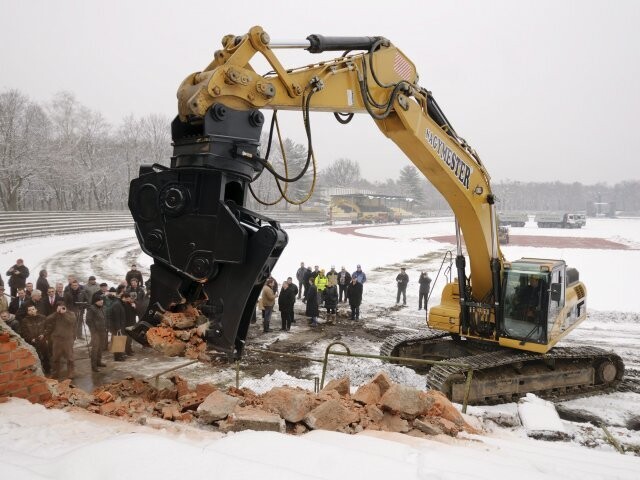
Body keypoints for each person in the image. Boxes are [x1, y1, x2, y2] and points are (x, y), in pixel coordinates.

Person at [44, 302, 77, 379]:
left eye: (63, 307)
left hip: (67, 339)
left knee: (70, 358)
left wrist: (64, 313)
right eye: (60, 307)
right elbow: (47, 319)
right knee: (56, 358)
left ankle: (71, 373)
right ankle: (55, 373)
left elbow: (72, 321)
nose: (62, 308)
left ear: (66, 307)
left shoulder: (71, 314)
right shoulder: (55, 315)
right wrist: (57, 312)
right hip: (57, 339)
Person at [20, 304, 50, 374]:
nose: (31, 311)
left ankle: (48, 371)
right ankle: (39, 373)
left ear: (36, 310)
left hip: (43, 340)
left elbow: (48, 328)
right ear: (27, 312)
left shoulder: (43, 317)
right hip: (32, 342)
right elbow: (24, 333)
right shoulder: (25, 321)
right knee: (36, 358)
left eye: (33, 309)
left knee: (46, 356)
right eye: (29, 310)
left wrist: (43, 334)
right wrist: (31, 339)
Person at [86, 291, 107, 372]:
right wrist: (93, 331)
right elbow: (88, 321)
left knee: (100, 347)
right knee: (95, 349)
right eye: (99, 300)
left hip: (103, 331)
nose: (101, 301)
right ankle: (93, 365)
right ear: (95, 301)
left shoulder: (102, 308)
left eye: (102, 300)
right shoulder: (92, 309)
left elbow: (105, 318)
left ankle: (99, 362)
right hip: (96, 333)